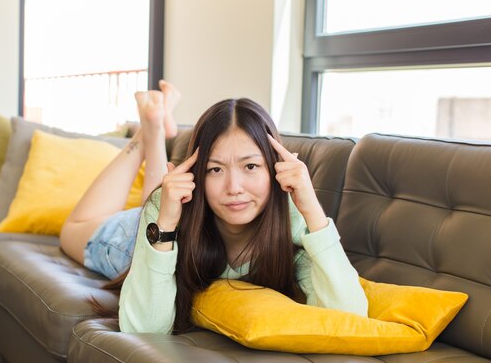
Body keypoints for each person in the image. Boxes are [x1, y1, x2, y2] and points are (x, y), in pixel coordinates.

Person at [60, 81, 368, 335]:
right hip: (148, 237)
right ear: (198, 174)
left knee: (159, 197)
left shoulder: (292, 218)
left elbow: (350, 317)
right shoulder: (164, 210)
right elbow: (144, 330)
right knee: (73, 228)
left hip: (171, 217)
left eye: (250, 166)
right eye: (215, 169)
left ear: (274, 168)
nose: (234, 187)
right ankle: (146, 133)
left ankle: (154, 126)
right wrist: (164, 219)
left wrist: (312, 208)